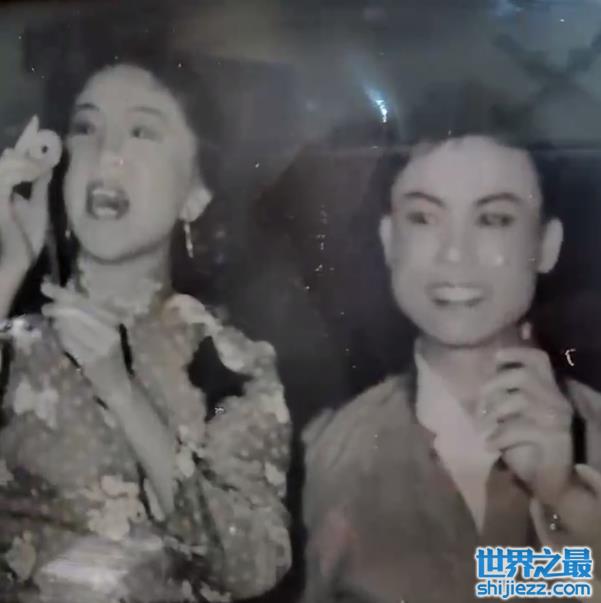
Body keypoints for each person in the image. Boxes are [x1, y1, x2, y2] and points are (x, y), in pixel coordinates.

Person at [0, 58, 291, 602]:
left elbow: (252, 564)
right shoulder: (13, 344)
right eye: (86, 127)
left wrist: (122, 392)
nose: (107, 153)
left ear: (196, 193)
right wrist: (8, 267)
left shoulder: (230, 361)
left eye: (142, 132)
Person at [302, 86, 601, 603]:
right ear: (389, 241)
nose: (455, 254)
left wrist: (565, 499)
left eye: (494, 219)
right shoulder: (326, 451)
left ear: (545, 245)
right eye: (423, 217)